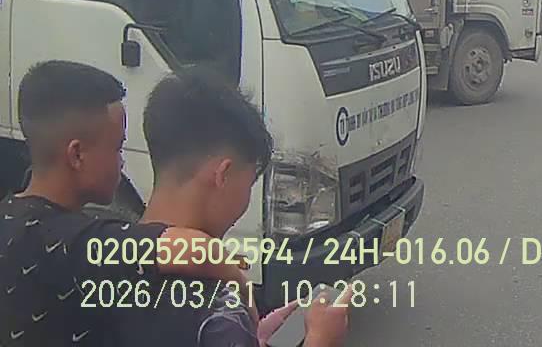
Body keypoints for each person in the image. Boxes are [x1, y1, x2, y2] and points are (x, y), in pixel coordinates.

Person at [0, 61, 245, 346]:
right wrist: (239, 289)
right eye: (117, 146)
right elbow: (194, 250)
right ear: (77, 154)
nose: (121, 161)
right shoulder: (70, 242)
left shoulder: (10, 216)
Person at [112, 67, 352, 347]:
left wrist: (251, 339)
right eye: (249, 183)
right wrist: (321, 340)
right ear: (223, 175)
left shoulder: (104, 262)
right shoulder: (218, 314)